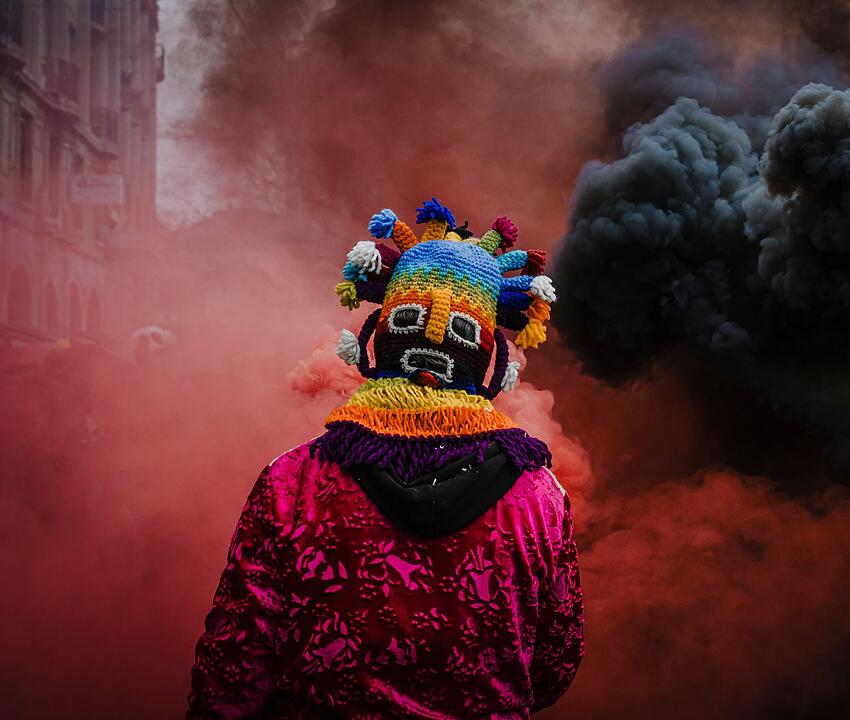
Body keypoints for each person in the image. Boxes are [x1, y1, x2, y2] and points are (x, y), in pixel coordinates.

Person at [188, 199, 584, 719]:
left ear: (377, 342)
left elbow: (232, 666)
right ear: (490, 362)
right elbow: (554, 661)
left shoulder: (292, 481)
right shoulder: (540, 498)